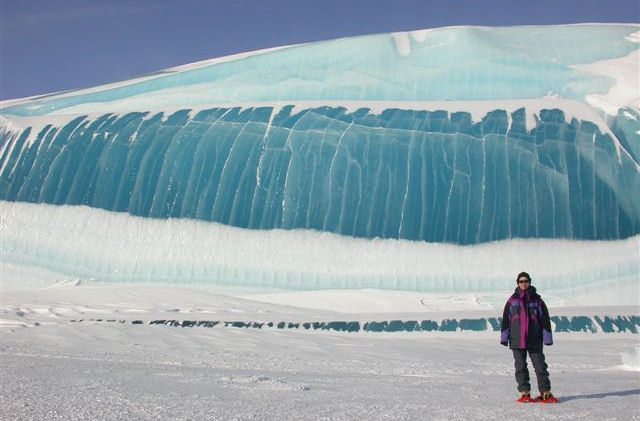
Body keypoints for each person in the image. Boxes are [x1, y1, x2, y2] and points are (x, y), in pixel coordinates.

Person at [500, 271, 558, 403]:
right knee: (520, 367)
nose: (524, 283)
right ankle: (524, 393)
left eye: (526, 281)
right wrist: (504, 337)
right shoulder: (512, 301)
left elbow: (545, 320)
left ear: (530, 282)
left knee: (540, 367)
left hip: (534, 340)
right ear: (518, 283)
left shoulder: (537, 300)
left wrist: (547, 338)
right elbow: (505, 320)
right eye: (521, 281)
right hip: (517, 340)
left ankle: (545, 393)